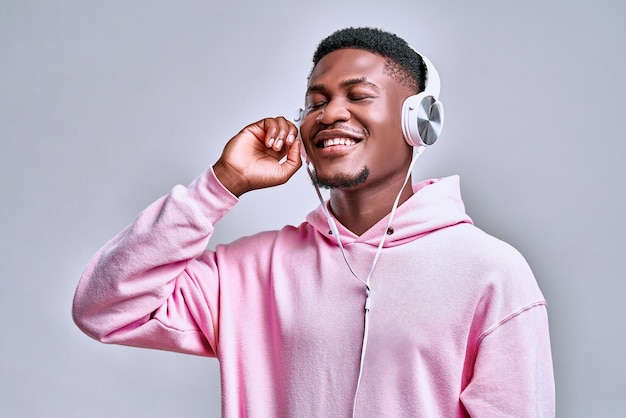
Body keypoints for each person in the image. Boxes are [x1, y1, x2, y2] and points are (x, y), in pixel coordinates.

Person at [73, 27, 555, 417]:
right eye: (316, 101)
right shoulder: (248, 272)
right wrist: (222, 184)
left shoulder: (491, 272)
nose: (330, 114)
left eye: (359, 95)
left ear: (419, 123)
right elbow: (105, 309)